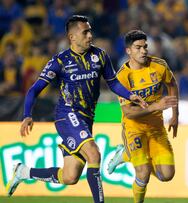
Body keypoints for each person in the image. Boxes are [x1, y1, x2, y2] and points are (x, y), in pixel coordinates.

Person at [5, 15, 146, 203]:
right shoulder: (60, 61)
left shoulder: (100, 56)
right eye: (85, 32)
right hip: (67, 114)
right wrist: (27, 115)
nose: (90, 35)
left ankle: (24, 172)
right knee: (94, 153)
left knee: (70, 176)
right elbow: (34, 89)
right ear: (72, 37)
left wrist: (130, 95)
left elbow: (113, 83)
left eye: (90, 31)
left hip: (86, 118)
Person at [107, 30, 179, 203]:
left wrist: (175, 115)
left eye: (145, 46)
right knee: (143, 172)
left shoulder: (159, 65)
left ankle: (126, 154)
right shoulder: (123, 77)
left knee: (167, 175)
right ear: (128, 51)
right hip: (134, 129)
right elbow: (128, 112)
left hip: (156, 128)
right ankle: (129, 153)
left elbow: (172, 84)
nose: (144, 51)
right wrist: (156, 106)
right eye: (138, 47)